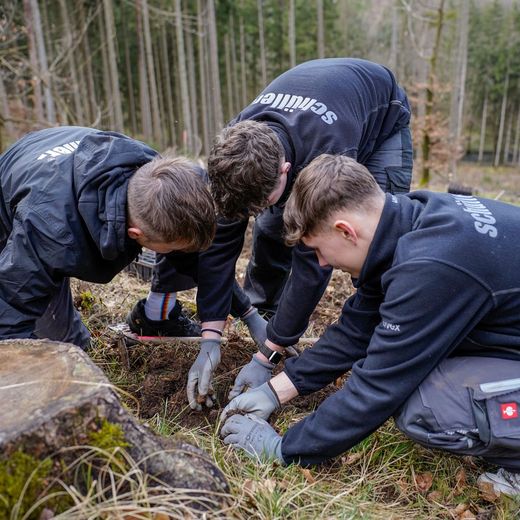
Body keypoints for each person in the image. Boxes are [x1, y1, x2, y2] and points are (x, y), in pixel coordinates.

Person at [220, 154, 520, 497]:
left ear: (345, 231)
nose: (321, 263)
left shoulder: (431, 265)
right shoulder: (411, 220)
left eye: (318, 249)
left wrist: (284, 449)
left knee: (425, 404)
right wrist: (274, 391)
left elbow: (379, 386)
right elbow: (357, 329)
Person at [126, 57, 413, 408]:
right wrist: (210, 336)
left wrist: (269, 355)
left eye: (264, 201)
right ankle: (263, 312)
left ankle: (384, 336)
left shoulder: (325, 149)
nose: (256, 212)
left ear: (285, 170)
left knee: (377, 240)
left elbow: (314, 263)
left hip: (380, 118)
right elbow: (220, 246)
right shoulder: (234, 148)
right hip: (319, 105)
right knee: (271, 225)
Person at [0, 126, 216, 350]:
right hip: (13, 206)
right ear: (135, 234)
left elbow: (193, 244)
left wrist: (232, 304)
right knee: (66, 346)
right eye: (172, 248)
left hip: (48, 165)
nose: (175, 253)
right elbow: (11, 307)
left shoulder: (157, 175)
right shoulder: (51, 233)